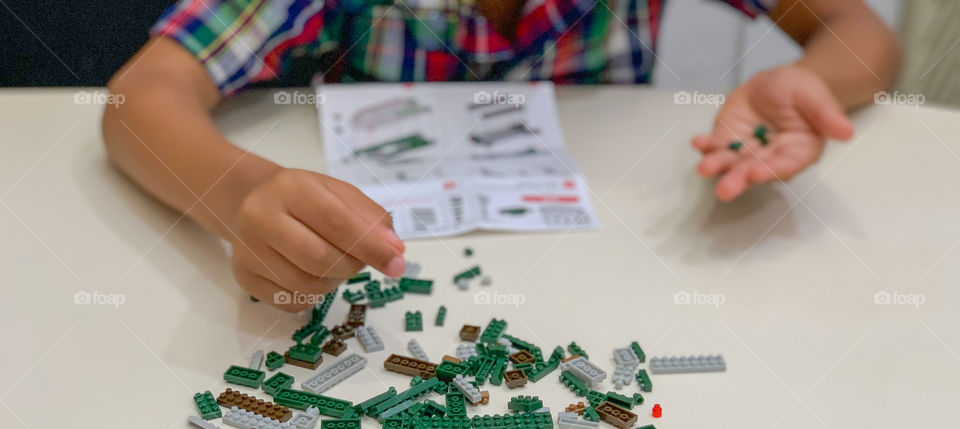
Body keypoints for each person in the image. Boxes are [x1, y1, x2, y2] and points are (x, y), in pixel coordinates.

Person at [103, 0, 901, 311]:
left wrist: (807, 78)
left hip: (613, 262)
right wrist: (242, 190)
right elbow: (143, 97)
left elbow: (862, 34)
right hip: (394, 259)